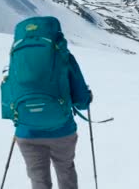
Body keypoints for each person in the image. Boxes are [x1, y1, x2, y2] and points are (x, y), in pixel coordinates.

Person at [15, 53, 92, 189]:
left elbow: (10, 96)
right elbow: (81, 101)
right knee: (65, 171)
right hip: (62, 131)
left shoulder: (18, 56)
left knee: (38, 179)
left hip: (27, 132)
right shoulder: (63, 55)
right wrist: (87, 97)